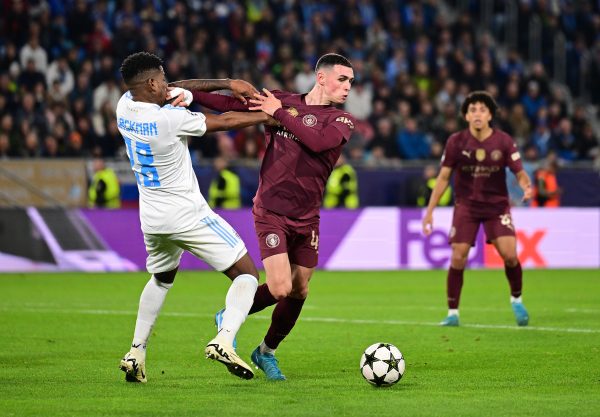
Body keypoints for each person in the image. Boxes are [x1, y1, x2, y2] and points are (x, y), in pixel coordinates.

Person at [171, 53, 356, 380]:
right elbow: (233, 106)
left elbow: (317, 142)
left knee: (300, 289)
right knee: (281, 286)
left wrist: (278, 113)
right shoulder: (279, 100)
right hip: (271, 209)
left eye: (351, 82)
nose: (347, 87)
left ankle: (266, 351)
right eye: (343, 79)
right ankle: (230, 315)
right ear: (322, 77)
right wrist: (190, 97)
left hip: (307, 216)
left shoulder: (340, 121)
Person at [116, 51, 274, 383]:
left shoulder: (125, 105)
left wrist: (229, 84)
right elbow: (227, 122)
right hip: (186, 214)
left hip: (152, 218)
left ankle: (136, 351)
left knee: (162, 279)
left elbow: (176, 87)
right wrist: (267, 114)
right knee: (247, 274)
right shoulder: (167, 120)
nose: (166, 81)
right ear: (151, 82)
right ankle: (225, 340)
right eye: (161, 77)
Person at [421, 91, 532, 327]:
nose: (477, 113)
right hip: (466, 206)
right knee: (458, 257)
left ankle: (516, 299)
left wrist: (526, 187)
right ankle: (453, 313)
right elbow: (442, 178)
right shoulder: (456, 142)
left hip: (496, 206)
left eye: (482, 109)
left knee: (510, 255)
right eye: (472, 110)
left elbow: (519, 173)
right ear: (466, 116)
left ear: (490, 114)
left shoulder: (503, 141)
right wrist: (429, 211)